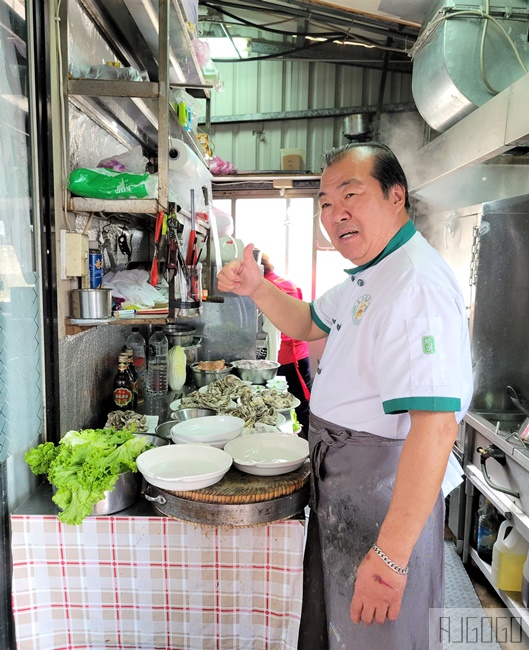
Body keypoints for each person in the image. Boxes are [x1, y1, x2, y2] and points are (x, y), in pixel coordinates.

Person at [217, 141, 473, 649]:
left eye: (350, 195)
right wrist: (258, 287)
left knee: (379, 634)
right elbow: (307, 319)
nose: (335, 215)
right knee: (344, 628)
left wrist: (391, 557)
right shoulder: (372, 275)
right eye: (326, 205)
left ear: (395, 195)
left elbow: (436, 426)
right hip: (349, 484)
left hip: (384, 490)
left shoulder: (415, 285)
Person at [260, 253, 312, 436]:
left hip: (285, 356)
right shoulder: (285, 281)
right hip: (300, 352)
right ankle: (306, 444)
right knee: (302, 405)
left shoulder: (266, 287)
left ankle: (302, 446)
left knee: (280, 406)